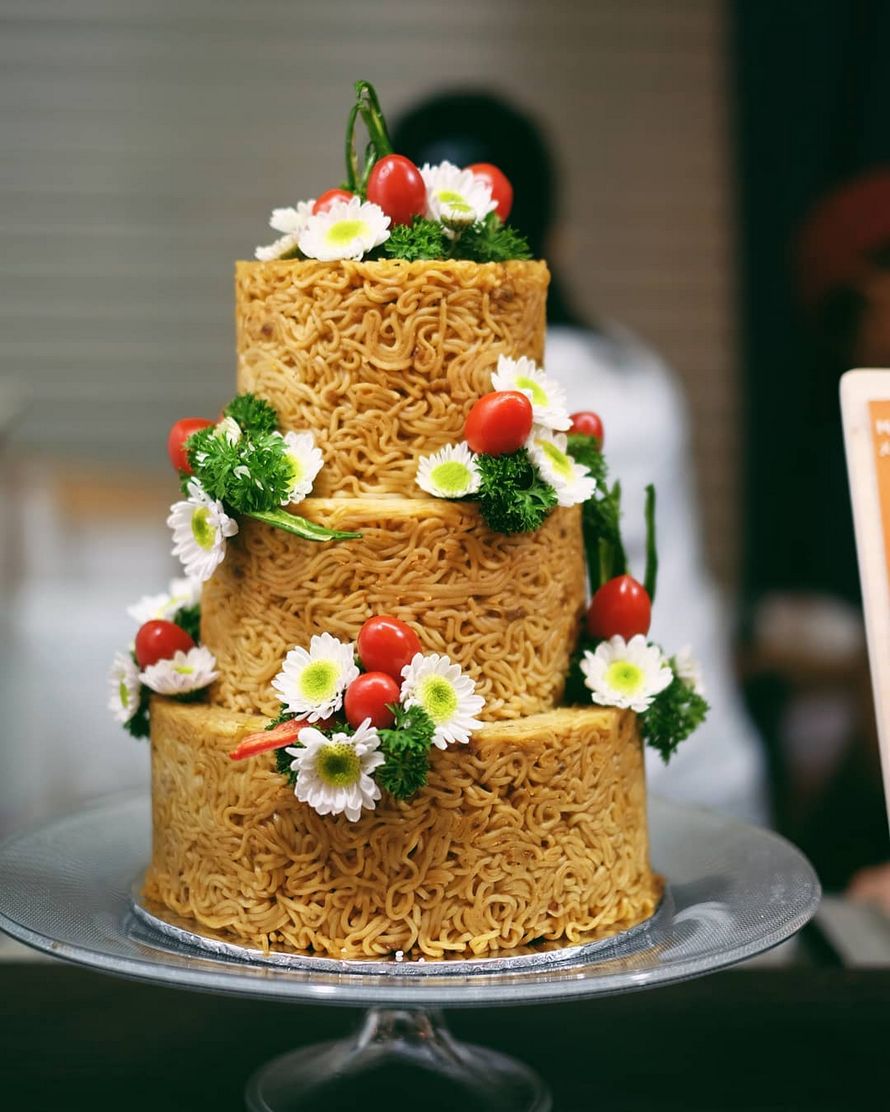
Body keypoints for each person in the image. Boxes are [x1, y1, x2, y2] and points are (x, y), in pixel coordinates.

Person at [393, 90, 769, 824]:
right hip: (707, 768)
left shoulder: (524, 395)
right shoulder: (635, 368)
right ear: (560, 237)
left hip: (629, 792)